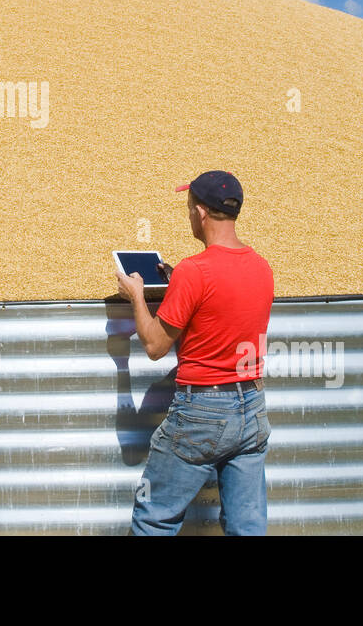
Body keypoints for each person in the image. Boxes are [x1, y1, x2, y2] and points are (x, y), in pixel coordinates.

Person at [116, 170, 274, 536]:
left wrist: (138, 297)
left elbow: (155, 347)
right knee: (246, 526)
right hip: (252, 408)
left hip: (202, 412)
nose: (188, 215)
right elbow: (221, 315)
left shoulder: (194, 272)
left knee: (154, 516)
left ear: (201, 212)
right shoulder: (261, 267)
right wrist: (181, 289)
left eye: (189, 208)